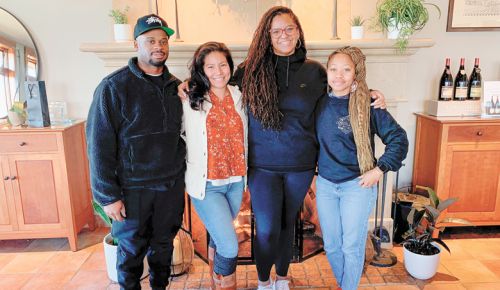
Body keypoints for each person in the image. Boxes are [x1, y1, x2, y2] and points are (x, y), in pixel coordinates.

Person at [231, 7, 387, 290]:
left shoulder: (315, 71)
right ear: (267, 34)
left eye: (289, 28)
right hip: (262, 165)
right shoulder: (249, 70)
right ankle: (264, 282)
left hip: (301, 165)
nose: (284, 35)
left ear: (298, 31)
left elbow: (342, 89)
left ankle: (281, 278)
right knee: (266, 229)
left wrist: (371, 93)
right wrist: (189, 86)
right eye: (276, 30)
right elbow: (216, 90)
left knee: (288, 224)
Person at [86, 14, 185, 290]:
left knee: (164, 248)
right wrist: (108, 196)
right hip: (132, 190)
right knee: (130, 254)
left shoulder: (176, 88)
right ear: (135, 44)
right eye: (150, 40)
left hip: (170, 186)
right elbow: (98, 145)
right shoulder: (113, 87)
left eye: (163, 40)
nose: (158, 46)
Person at [315, 46, 408, 290]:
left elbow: (399, 139)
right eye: (333, 69)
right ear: (326, 71)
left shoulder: (368, 105)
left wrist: (378, 170)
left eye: (346, 70)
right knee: (333, 245)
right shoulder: (318, 103)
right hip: (325, 185)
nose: (339, 75)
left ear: (356, 74)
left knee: (351, 246)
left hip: (356, 185)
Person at [182, 42, 247, 290]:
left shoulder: (240, 95)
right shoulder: (190, 98)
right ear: (201, 70)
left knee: (221, 239)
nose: (218, 71)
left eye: (222, 65)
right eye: (210, 66)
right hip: (206, 186)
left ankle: (214, 283)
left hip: (235, 182)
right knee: (230, 245)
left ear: (230, 67)